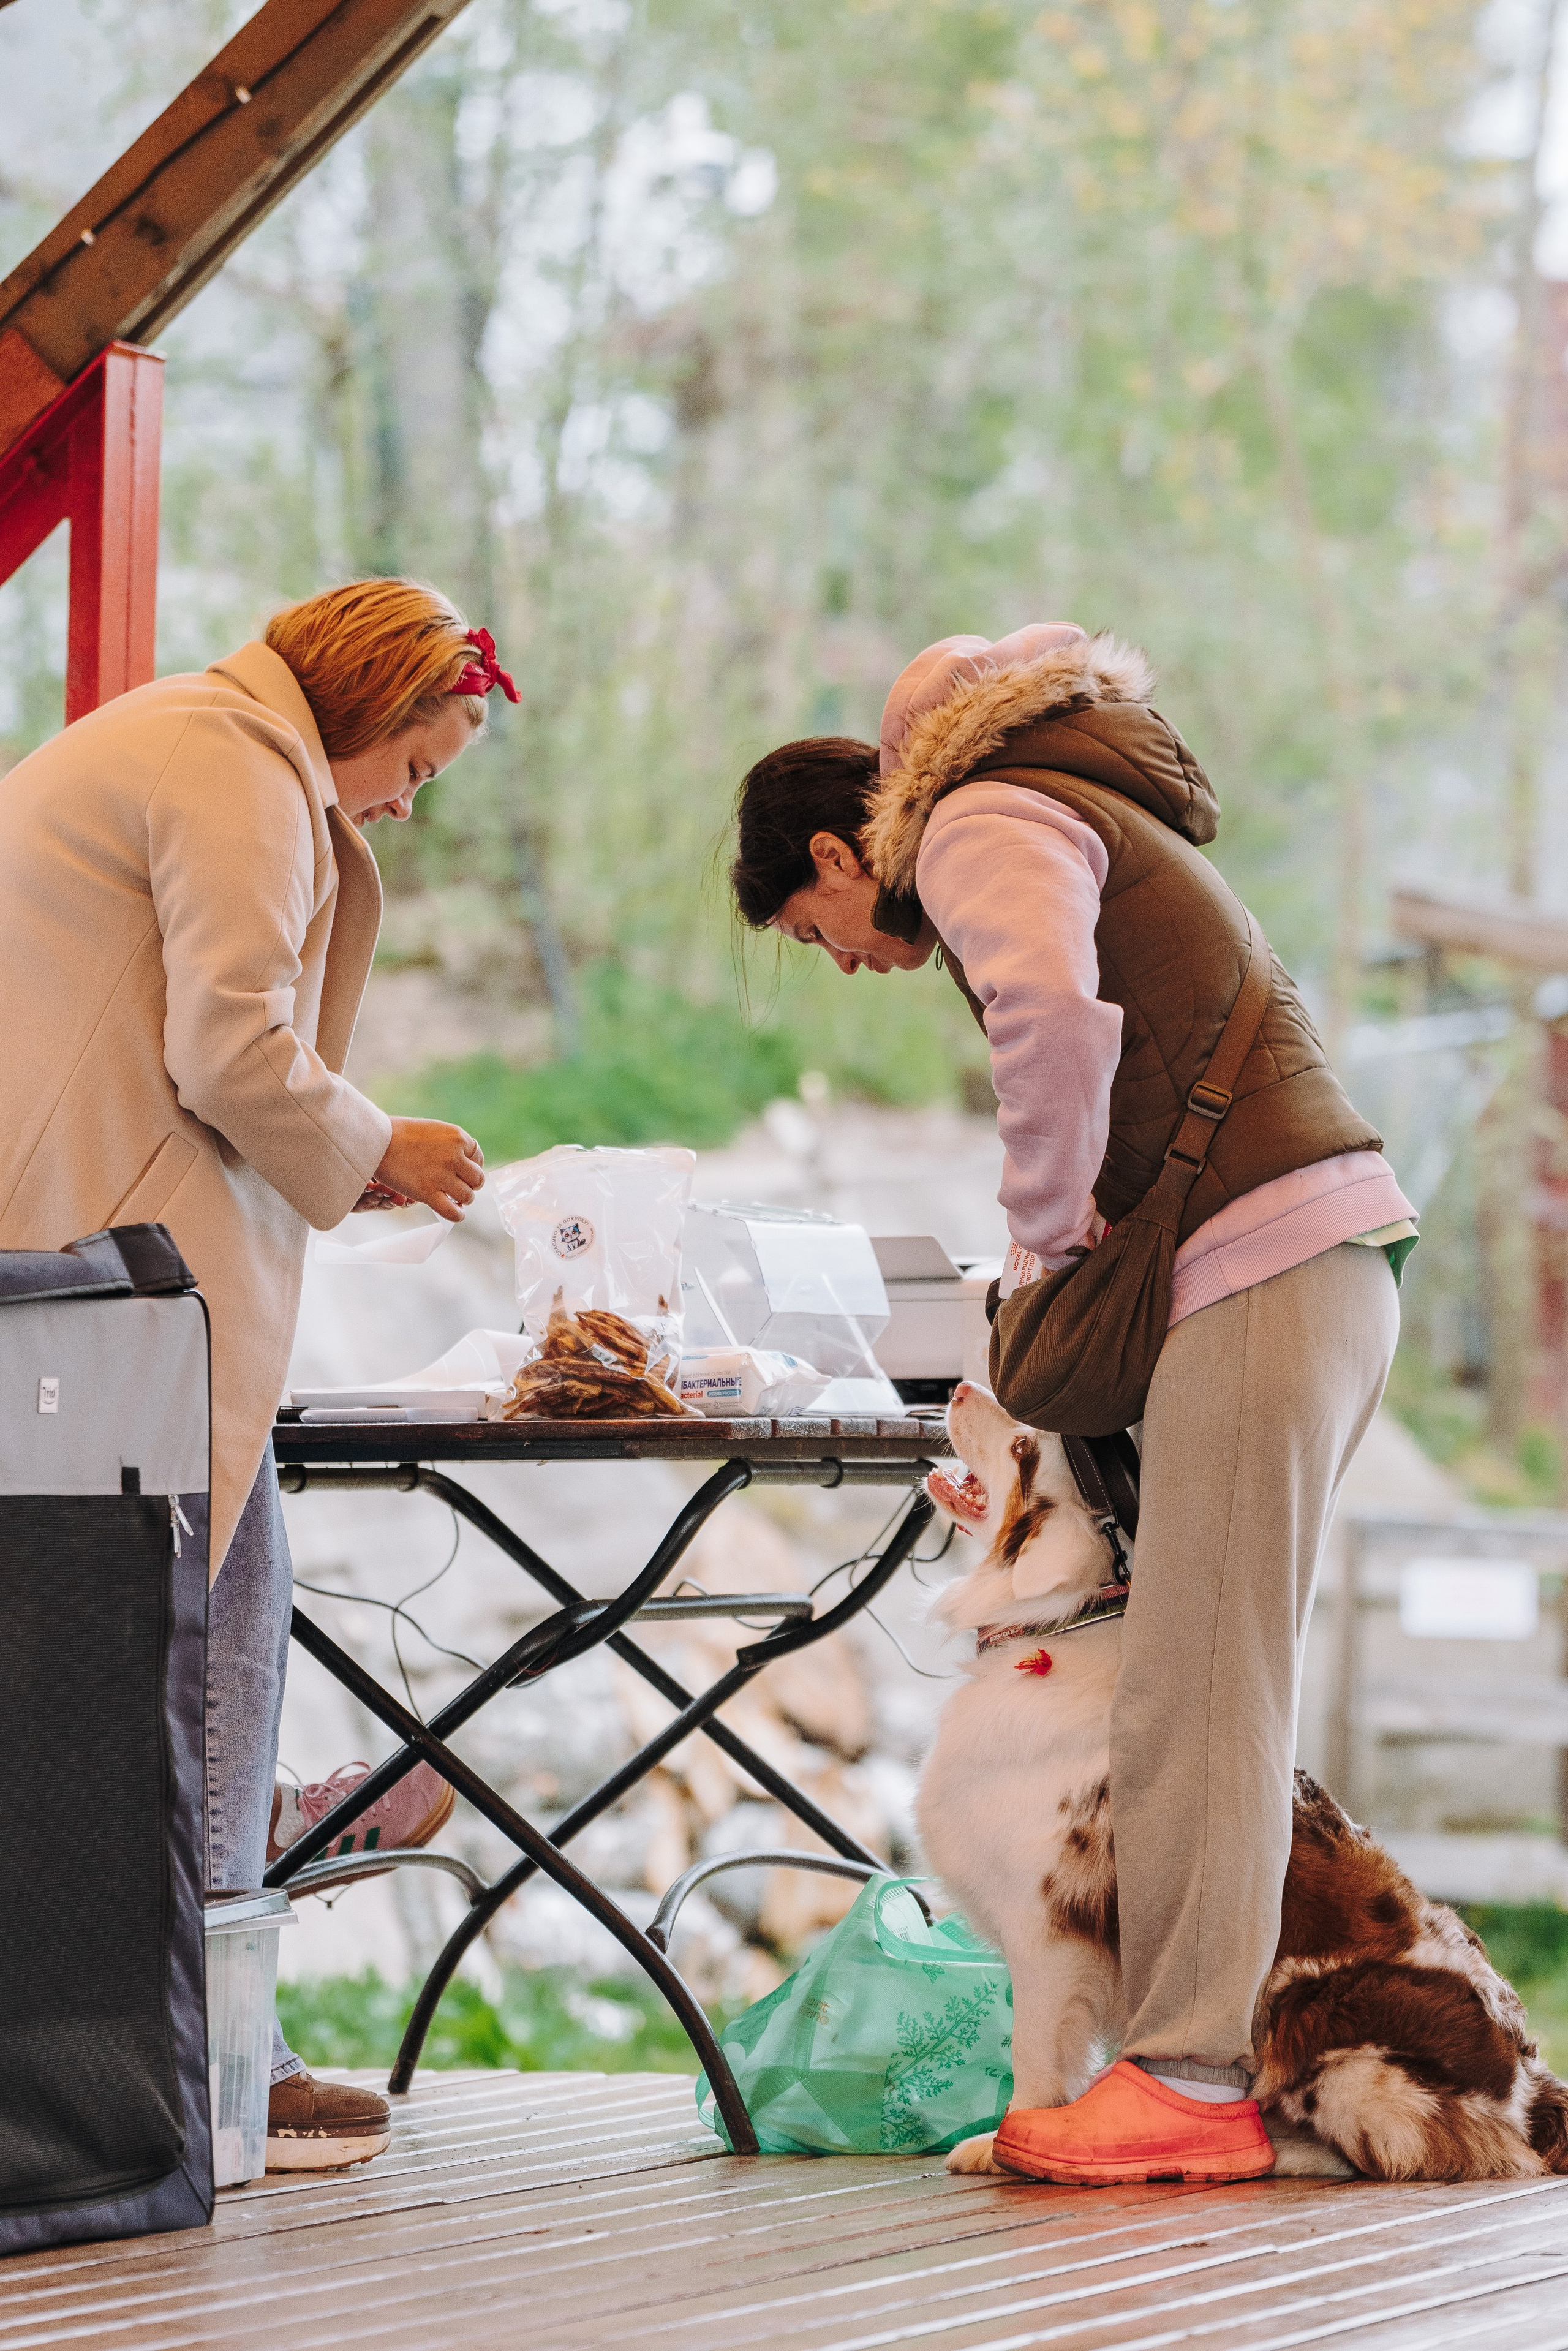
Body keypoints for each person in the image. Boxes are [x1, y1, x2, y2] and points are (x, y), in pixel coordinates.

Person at [730, 622, 1416, 2186]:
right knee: (1194, 1678)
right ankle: (1170, 2068)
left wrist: (1042, 1251)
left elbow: (1046, 1015)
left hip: (1266, 1263)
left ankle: (1181, 2082)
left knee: (1193, 1692)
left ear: (866, 826)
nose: (840, 954)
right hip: (1291, 1255)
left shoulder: (982, 810)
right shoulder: (1087, 798)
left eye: (813, 920)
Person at [0, 579, 517, 2172]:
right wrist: (383, 1146)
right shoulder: (237, 763)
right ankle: (195, 2052)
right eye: (418, 765)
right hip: (109, 1265)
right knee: (190, 1642)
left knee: (203, 1624)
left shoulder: (186, 738)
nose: (408, 801)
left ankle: (209, 2033)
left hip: (85, 1253)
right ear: (366, 709)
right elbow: (232, 1044)